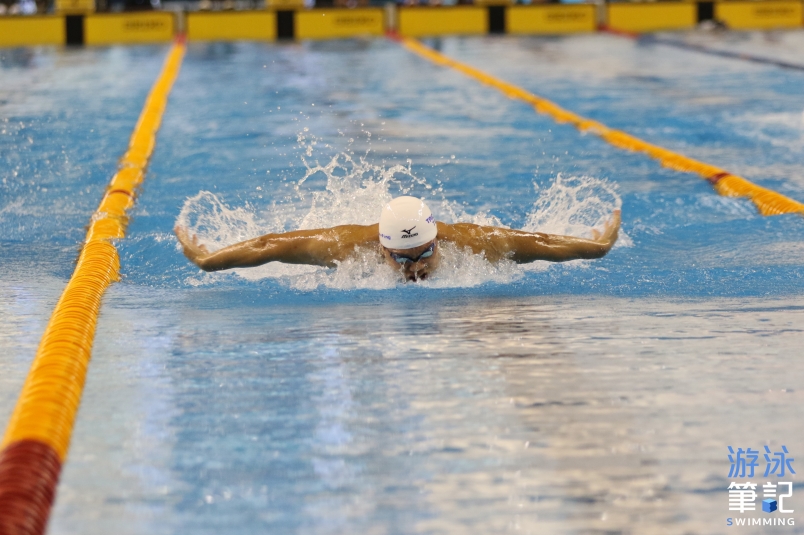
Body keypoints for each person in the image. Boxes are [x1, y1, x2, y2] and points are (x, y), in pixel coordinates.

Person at [175, 196, 621, 282]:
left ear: (437, 240)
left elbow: (541, 243)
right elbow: (269, 245)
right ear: (382, 249)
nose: (416, 269)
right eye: (401, 259)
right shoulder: (347, 247)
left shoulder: (474, 243)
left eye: (424, 253)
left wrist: (595, 248)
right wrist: (212, 260)